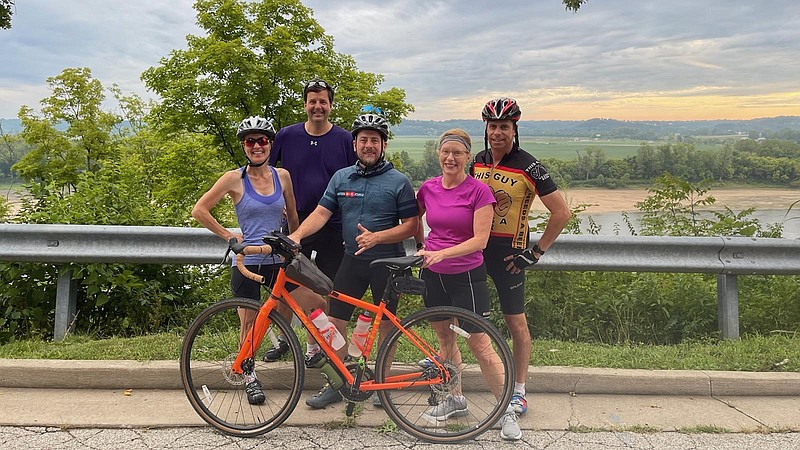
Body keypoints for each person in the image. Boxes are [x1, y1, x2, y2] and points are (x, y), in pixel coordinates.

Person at [287, 106, 419, 409]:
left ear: (384, 144)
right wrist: (297, 235)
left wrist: (378, 237)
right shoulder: (342, 177)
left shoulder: (398, 180)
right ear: (354, 144)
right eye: (363, 140)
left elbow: (411, 226)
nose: (368, 145)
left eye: (374, 140)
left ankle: (382, 386)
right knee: (335, 321)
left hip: (388, 262)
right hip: (352, 260)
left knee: (387, 324)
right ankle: (340, 381)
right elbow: (321, 213)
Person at [191, 116, 325, 405]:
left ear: (270, 144)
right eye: (250, 141)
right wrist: (229, 237)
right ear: (244, 146)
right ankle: (249, 376)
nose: (256, 146)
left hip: (279, 259)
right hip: (248, 261)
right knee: (249, 323)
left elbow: (292, 215)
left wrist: (295, 241)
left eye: (262, 140)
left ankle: (312, 351)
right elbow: (199, 210)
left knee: (315, 303)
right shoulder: (233, 179)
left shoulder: (282, 176)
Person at [470, 98, 571, 429]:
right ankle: (472, 382)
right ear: (485, 129)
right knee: (468, 315)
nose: (498, 132)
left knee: (515, 322)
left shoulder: (529, 165)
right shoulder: (477, 161)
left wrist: (537, 251)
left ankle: (519, 389)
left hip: (510, 254)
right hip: (476, 248)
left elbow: (561, 212)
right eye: (493, 126)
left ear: (515, 130)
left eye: (504, 127)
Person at [414, 129, 521, 440]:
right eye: (445, 152)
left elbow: (480, 240)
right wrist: (420, 245)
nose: (450, 158)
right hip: (433, 275)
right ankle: (454, 398)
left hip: (466, 277)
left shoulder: (479, 191)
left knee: (480, 345)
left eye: (457, 153)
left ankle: (507, 410)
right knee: (445, 341)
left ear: (467, 157)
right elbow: (413, 220)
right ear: (438, 154)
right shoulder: (429, 188)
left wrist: (440, 253)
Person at [264, 78, 356, 365]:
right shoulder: (287, 136)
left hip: (334, 224)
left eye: (323, 101)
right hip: (296, 223)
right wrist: (275, 201)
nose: (318, 106)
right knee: (287, 282)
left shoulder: (344, 139)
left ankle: (315, 346)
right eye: (312, 101)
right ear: (305, 104)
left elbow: (355, 176)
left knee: (324, 286)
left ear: (330, 105)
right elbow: (266, 171)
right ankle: (283, 339)